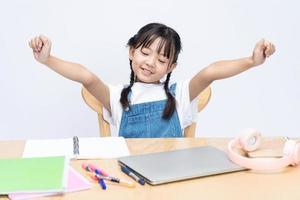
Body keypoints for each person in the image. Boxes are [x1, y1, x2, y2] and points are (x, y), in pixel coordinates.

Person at [29, 23, 275, 138]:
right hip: (130, 180)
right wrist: (47, 59)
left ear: (171, 66)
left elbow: (210, 72)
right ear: (131, 52)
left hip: (173, 179)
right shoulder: (117, 96)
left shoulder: (180, 95)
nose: (150, 62)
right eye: (145, 53)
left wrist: (251, 61)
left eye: (161, 58)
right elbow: (87, 77)